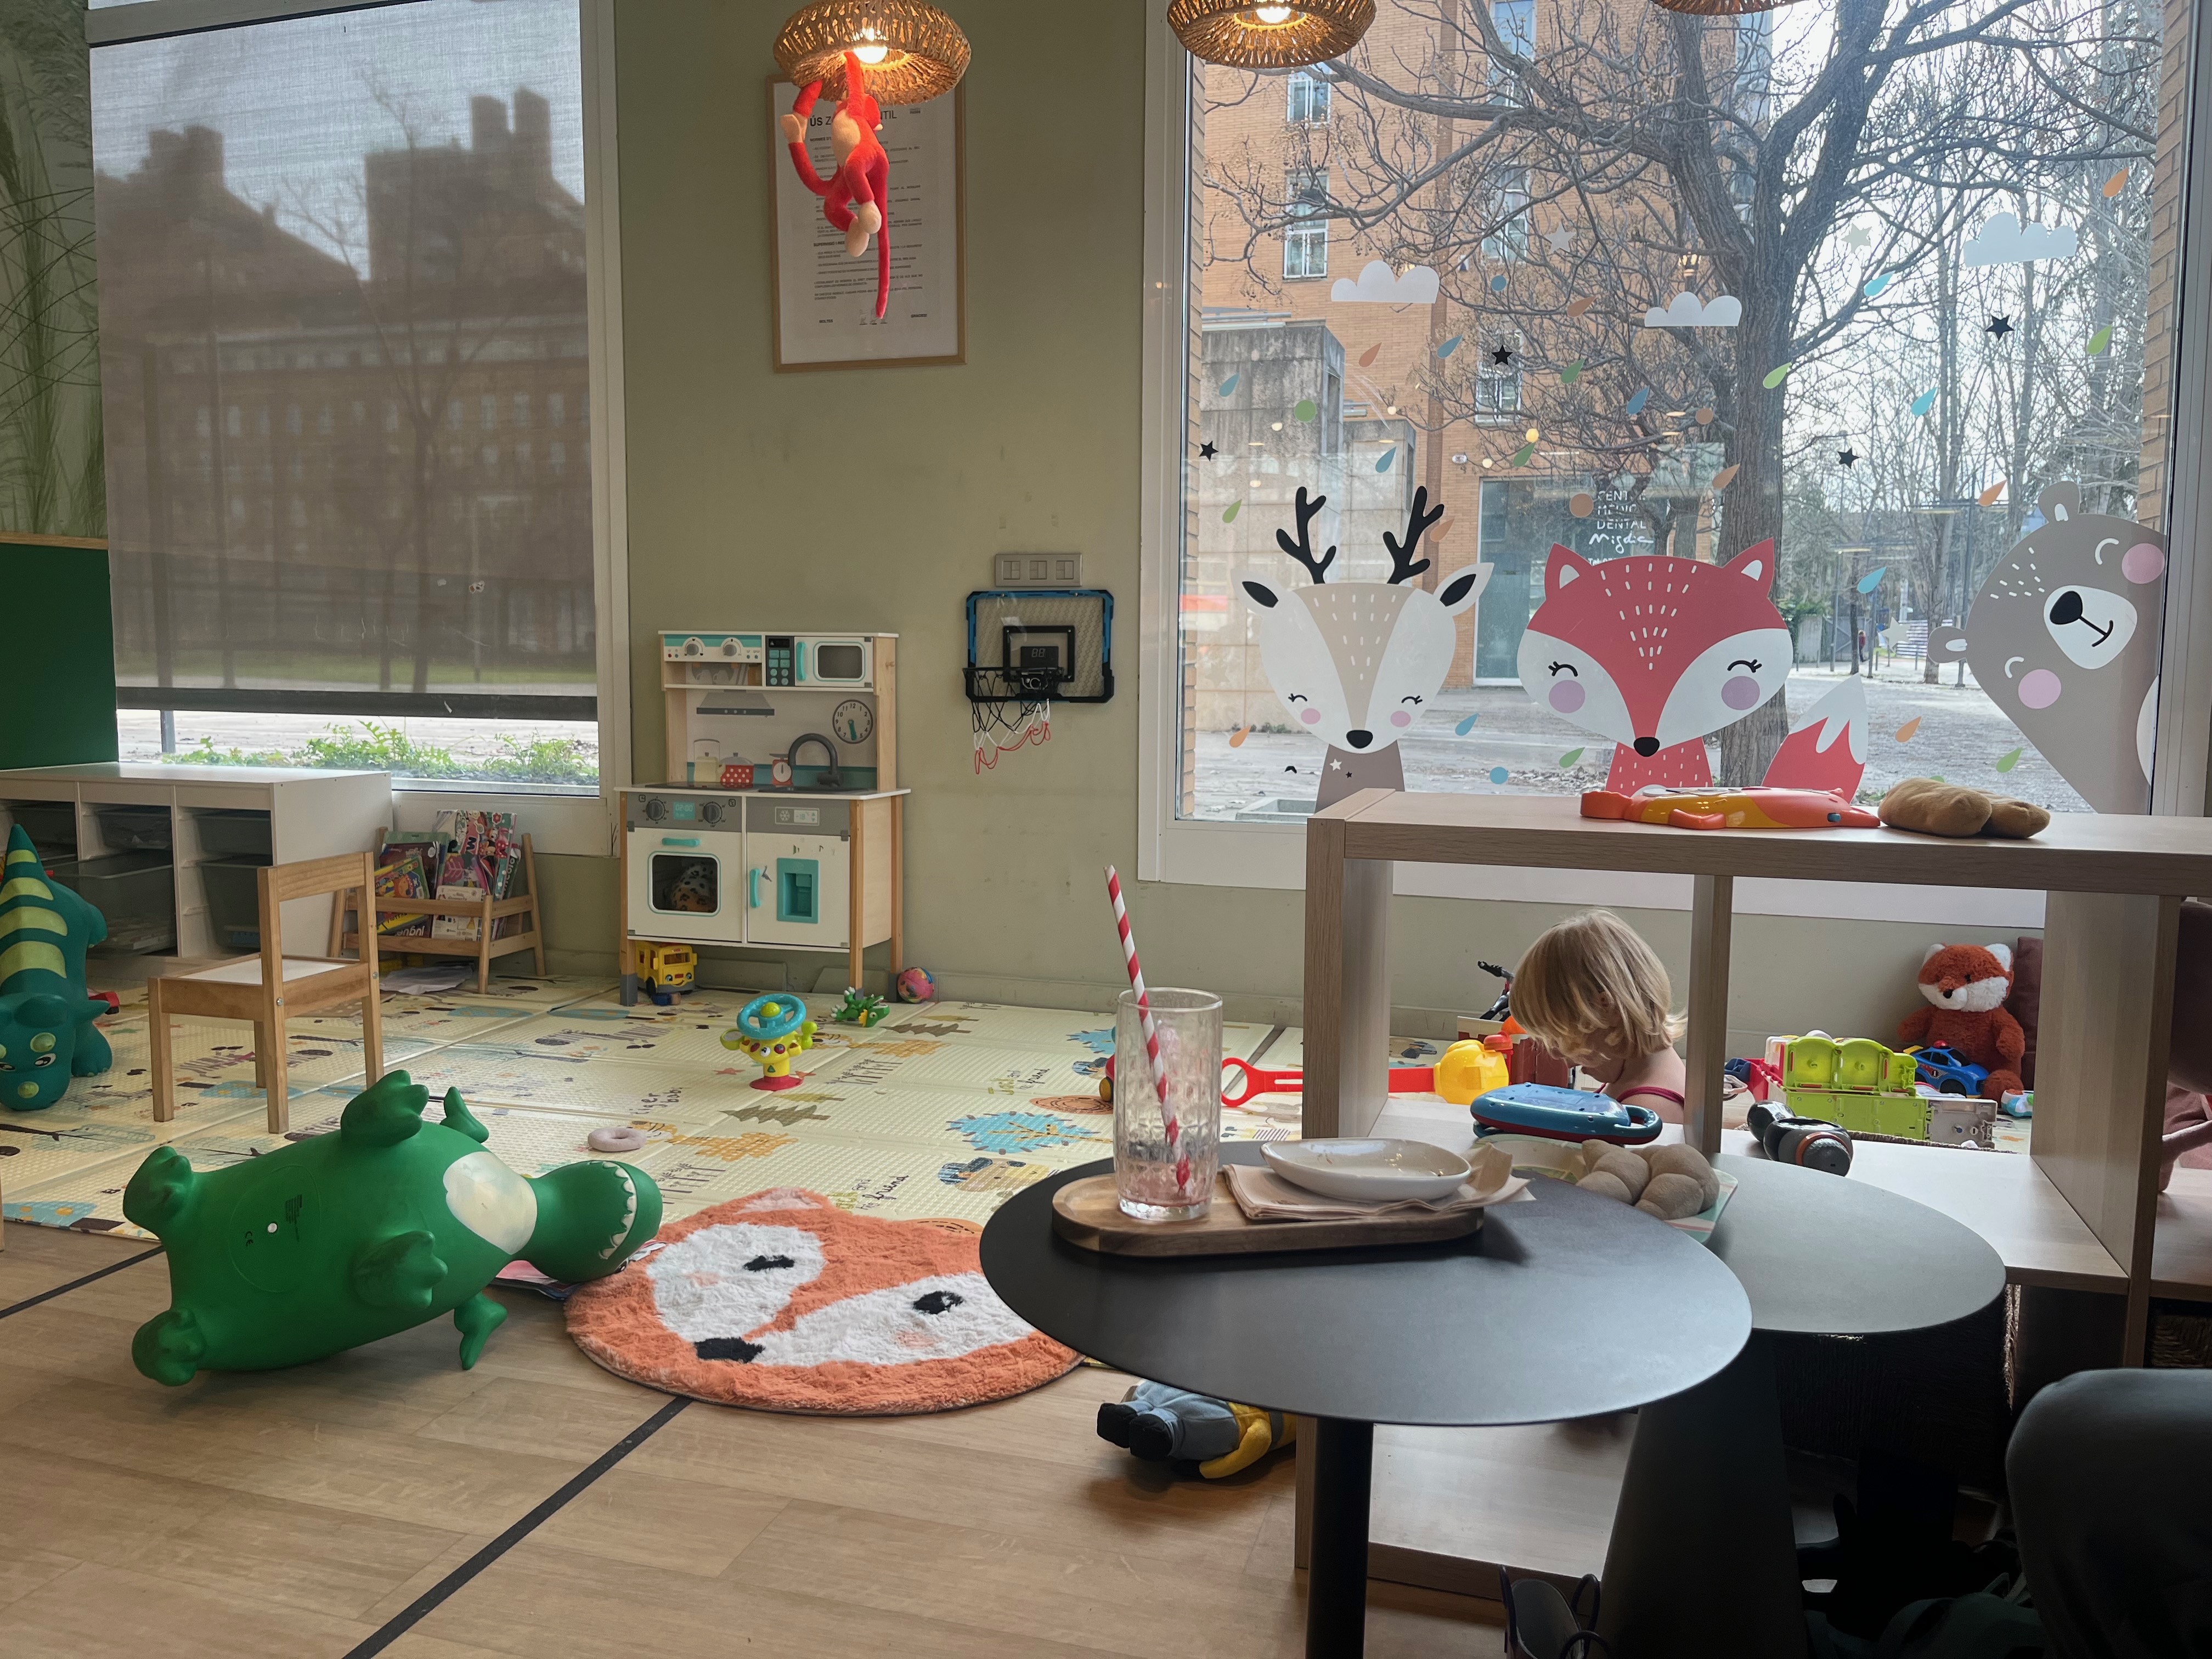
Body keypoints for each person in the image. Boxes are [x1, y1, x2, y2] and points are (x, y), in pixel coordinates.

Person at [1508, 910, 1690, 1121]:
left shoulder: (1645, 1111)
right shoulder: (1633, 1077)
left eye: (1563, 1038)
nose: (1559, 1056)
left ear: (1607, 1009)